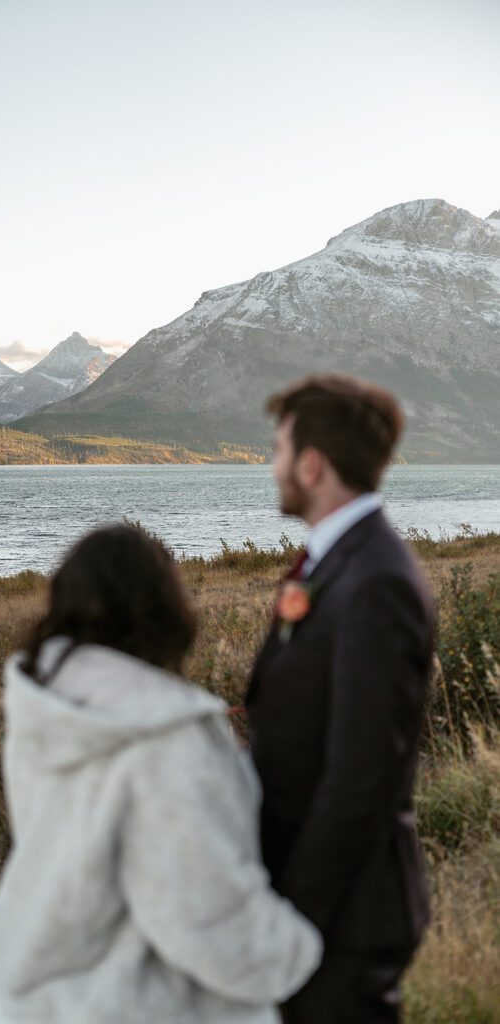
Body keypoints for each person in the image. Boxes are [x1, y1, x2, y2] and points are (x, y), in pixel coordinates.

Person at [0, 524, 321, 1024]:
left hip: (31, 993)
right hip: (150, 1003)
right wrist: (302, 949)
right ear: (164, 611)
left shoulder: (46, 709)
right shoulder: (164, 739)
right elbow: (203, 918)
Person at [246, 375, 435, 1024]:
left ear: (311, 463)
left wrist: (291, 911)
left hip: (343, 908)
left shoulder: (375, 581)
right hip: (322, 901)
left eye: (277, 451)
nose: (271, 468)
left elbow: (361, 774)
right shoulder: (336, 564)